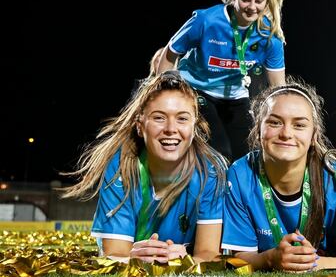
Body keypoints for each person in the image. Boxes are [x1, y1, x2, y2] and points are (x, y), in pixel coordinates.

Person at [62, 71, 227, 263]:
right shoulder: (120, 167)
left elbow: (208, 254)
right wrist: (135, 257)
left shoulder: (211, 171)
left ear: (194, 126)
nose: (171, 129)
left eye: (182, 118)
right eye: (159, 118)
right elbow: (115, 254)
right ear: (140, 126)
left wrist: (183, 258)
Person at [222, 78, 336, 271]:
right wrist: (270, 259)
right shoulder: (240, 174)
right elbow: (238, 259)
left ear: (313, 136)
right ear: (258, 128)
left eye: (299, 125)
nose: (286, 133)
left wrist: (313, 262)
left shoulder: (335, 178)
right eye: (275, 123)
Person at [156, 0, 287, 162]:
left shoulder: (269, 37)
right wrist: (162, 94)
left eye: (259, 1)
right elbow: (169, 54)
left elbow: (278, 87)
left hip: (235, 96)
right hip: (197, 90)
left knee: (249, 157)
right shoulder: (206, 20)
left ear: (267, 0)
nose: (252, 7)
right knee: (220, 153)